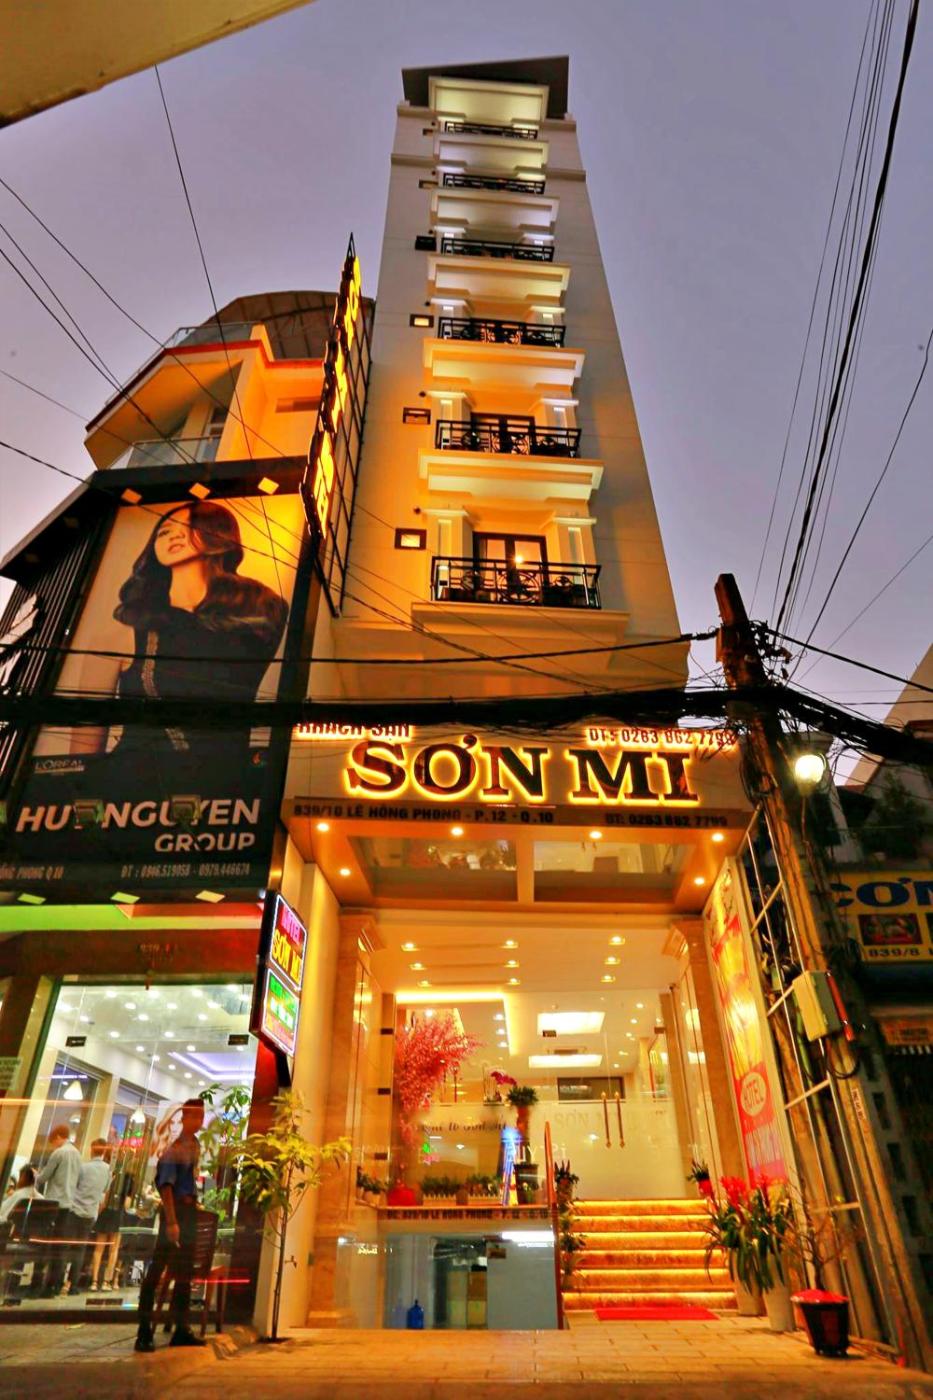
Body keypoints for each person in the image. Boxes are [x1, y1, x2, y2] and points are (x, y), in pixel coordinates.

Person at [71, 500, 288, 763]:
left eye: (188, 526)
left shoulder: (262, 610)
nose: (173, 535)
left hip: (227, 778)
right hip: (135, 779)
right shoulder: (119, 635)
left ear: (216, 532)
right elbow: (83, 753)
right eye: (163, 532)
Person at [135, 1098, 206, 1352]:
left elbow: (189, 1179)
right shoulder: (174, 1150)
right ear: (184, 1118)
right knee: (157, 1270)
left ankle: (181, 1328)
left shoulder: (195, 1145)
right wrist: (172, 1220)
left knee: (184, 1272)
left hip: (188, 1211)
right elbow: (165, 1186)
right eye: (194, 1116)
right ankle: (144, 1331)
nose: (198, 1121)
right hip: (174, 1211)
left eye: (201, 1116)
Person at [35, 1122, 82, 1296]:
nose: (53, 1145)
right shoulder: (77, 1154)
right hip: (68, 1205)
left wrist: (35, 1175)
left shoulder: (59, 1153)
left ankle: (39, 1286)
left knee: (46, 1246)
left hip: (54, 1204)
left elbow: (44, 1177)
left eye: (53, 1141)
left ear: (58, 1137)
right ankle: (54, 1286)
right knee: (60, 1247)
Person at [65, 1139, 112, 1295]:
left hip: (75, 1210)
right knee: (80, 1250)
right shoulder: (108, 1170)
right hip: (90, 1213)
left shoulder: (83, 1167)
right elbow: (105, 1190)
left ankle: (58, 1283)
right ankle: (73, 1286)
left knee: (66, 1247)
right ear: (104, 1151)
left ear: (92, 1149)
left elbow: (74, 1186)